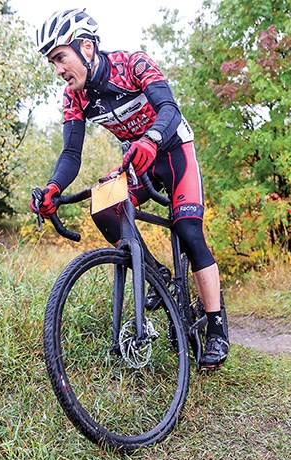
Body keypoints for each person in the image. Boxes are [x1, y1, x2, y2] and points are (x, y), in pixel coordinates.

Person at [31, 9, 229, 370]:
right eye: (52, 62)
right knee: (104, 206)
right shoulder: (73, 97)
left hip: (173, 149)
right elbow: (71, 154)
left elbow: (169, 107)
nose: (58, 69)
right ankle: (155, 275)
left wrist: (152, 138)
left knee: (187, 229)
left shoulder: (131, 63)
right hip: (137, 162)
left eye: (60, 57)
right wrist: (53, 187)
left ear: (86, 47)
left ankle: (216, 327)